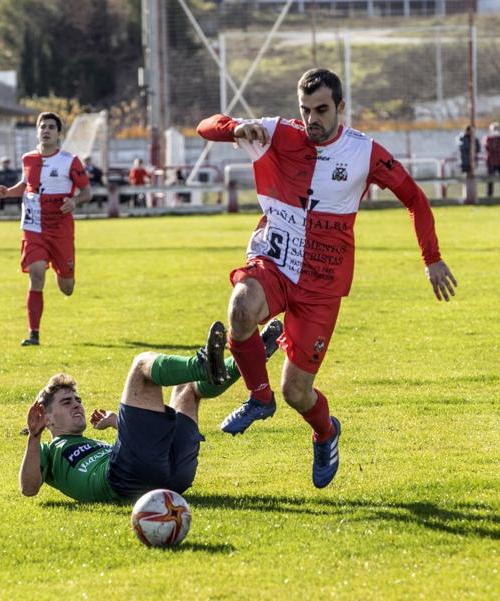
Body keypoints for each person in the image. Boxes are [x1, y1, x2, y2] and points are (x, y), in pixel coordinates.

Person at [196, 68, 458, 489]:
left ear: (340, 108)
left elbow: (414, 198)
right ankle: (257, 398)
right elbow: (206, 127)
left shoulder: (364, 152)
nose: (312, 119)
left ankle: (325, 432)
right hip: (276, 263)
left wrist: (432, 258)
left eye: (322, 110)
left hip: (322, 284)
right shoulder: (276, 134)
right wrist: (236, 127)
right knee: (241, 307)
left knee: (297, 392)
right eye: (306, 110)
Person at [19, 319, 283, 503]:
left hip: (171, 475)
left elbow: (144, 448)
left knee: (186, 389)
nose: (77, 404)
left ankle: (248, 358)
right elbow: (29, 489)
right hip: (124, 479)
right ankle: (202, 364)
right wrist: (34, 437)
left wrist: (116, 423)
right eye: (66, 402)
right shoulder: (49, 451)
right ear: (47, 417)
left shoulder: (91, 441)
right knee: (141, 365)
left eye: (77, 399)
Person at [0, 112, 92, 347]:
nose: (46, 130)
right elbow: (26, 186)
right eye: (42, 127)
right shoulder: (28, 158)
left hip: (61, 228)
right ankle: (33, 334)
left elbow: (88, 192)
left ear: (58, 134)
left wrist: (75, 201)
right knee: (36, 275)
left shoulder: (70, 160)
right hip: (34, 225)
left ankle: (62, 269)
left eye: (51, 127)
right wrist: (7, 192)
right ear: (37, 132)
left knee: (67, 288)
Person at [482, 122, 500, 197]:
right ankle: (489, 196)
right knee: (490, 180)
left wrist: (495, 146)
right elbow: (488, 147)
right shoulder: (487, 138)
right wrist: (495, 145)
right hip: (491, 162)